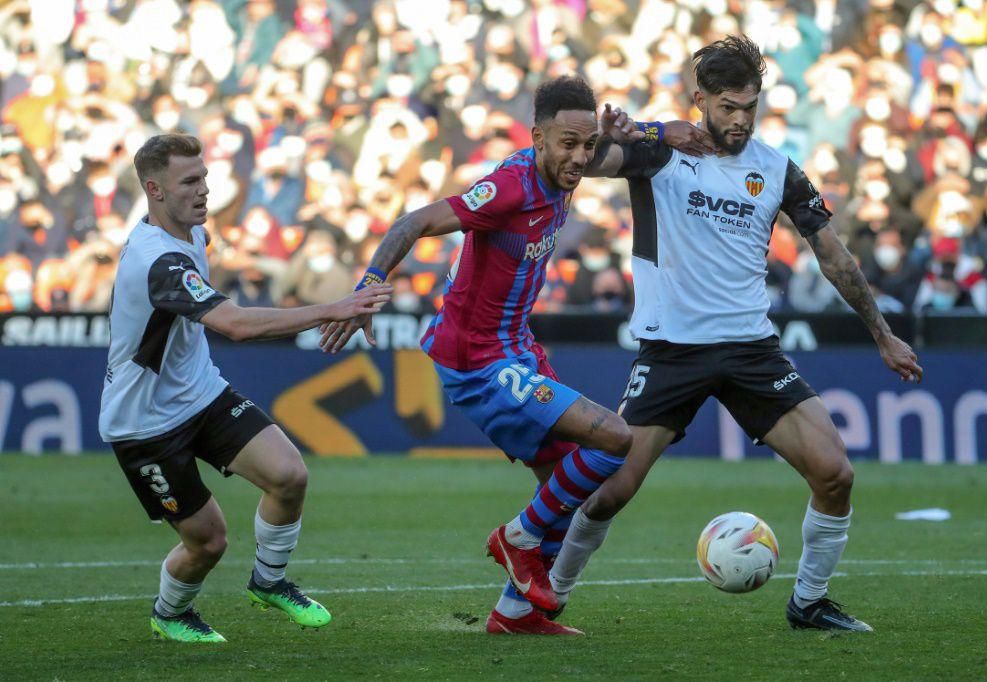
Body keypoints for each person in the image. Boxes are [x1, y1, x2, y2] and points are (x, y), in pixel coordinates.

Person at [549, 36, 924, 633]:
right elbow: (581, 164)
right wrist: (640, 131)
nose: (740, 120)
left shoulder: (775, 169)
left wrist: (882, 335)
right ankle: (548, 596)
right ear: (701, 101)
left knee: (836, 474)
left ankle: (809, 602)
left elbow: (834, 257)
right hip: (671, 348)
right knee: (610, 492)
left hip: (752, 349)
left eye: (750, 107)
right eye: (728, 107)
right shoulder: (661, 154)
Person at [319, 75, 716, 636]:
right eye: (568, 145)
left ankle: (513, 614)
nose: (580, 158)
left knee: (566, 487)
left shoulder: (569, 158)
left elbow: (611, 142)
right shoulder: (509, 188)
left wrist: (660, 128)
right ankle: (516, 538)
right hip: (477, 360)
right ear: (537, 138)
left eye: (585, 145)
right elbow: (414, 222)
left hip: (517, 351)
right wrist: (369, 284)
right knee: (614, 438)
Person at [99, 133, 391, 643]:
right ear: (155, 189)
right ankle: (170, 613)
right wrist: (332, 307)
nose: (204, 190)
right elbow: (234, 325)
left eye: (205, 178)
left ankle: (269, 581)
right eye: (190, 181)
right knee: (208, 543)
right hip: (144, 424)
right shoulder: (159, 261)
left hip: (201, 393)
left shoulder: (192, 234)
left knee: (289, 475)